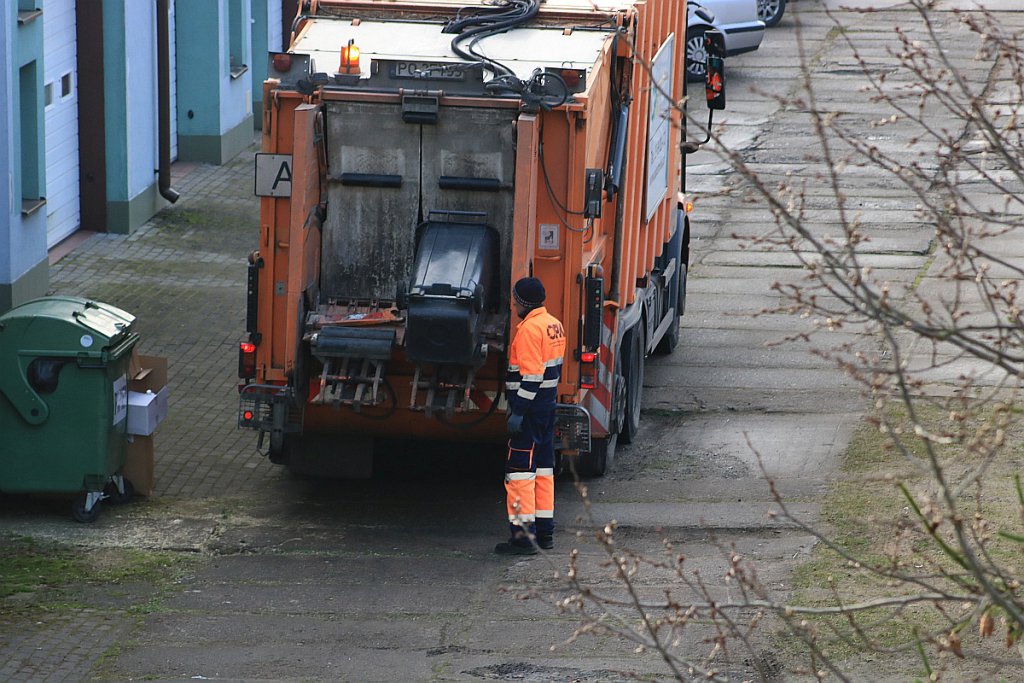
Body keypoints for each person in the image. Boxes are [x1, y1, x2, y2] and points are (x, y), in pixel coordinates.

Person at [495, 276, 566, 555]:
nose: (513, 305)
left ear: (523, 302)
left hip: (530, 413)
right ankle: (544, 533)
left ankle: (524, 539)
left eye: (515, 300)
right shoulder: (553, 325)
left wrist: (517, 412)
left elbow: (532, 377)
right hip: (547, 409)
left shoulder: (528, 330)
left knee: (520, 474)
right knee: (544, 472)